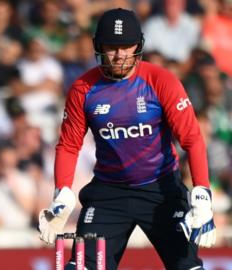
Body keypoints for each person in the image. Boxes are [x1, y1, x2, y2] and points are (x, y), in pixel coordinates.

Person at [38, 8, 216, 270]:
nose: (120, 55)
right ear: (99, 46)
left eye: (126, 47)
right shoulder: (83, 89)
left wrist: (202, 192)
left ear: (138, 46)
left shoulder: (161, 81)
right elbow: (68, 144)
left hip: (162, 190)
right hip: (108, 193)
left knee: (187, 267)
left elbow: (192, 138)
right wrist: (61, 191)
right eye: (112, 47)